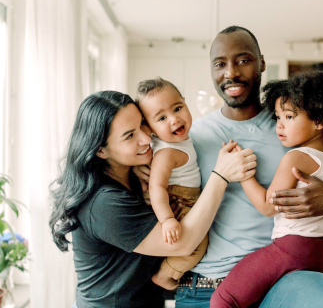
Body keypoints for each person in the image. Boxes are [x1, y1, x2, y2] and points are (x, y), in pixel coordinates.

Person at [145, 26, 323, 307]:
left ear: (262, 63)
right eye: (220, 64)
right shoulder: (188, 139)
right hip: (201, 289)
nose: (231, 73)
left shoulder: (294, 130)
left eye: (243, 60)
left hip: (279, 288)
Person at [48, 91, 257, 307]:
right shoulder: (104, 203)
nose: (146, 138)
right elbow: (183, 244)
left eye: (143, 124)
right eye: (129, 136)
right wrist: (221, 176)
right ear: (101, 151)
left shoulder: (136, 174)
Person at [210, 72, 323, 307]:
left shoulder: (296, 158)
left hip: (292, 250)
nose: (280, 124)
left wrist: (242, 173)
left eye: (290, 116)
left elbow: (266, 206)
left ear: (319, 120)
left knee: (223, 298)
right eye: (278, 116)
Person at [136, 77, 208, 290]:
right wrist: (167, 219)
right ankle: (165, 275)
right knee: (196, 244)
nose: (174, 119)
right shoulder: (166, 152)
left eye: (178, 108)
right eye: (161, 118)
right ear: (148, 127)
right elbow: (156, 186)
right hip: (178, 200)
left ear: (185, 102)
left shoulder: (179, 140)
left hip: (187, 197)